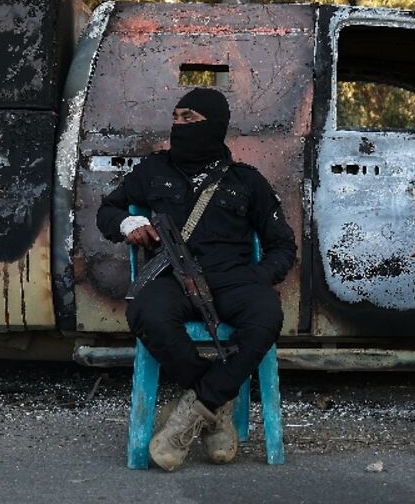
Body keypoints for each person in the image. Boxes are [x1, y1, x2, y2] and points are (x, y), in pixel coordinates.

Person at [97, 87, 296, 471]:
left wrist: (255, 279)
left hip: (232, 279)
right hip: (171, 278)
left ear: (214, 125)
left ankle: (194, 409)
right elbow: (109, 209)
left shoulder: (247, 181)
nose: (179, 125)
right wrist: (128, 222)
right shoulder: (153, 171)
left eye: (190, 119)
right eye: (177, 117)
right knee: (146, 313)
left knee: (266, 314)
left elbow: (282, 246)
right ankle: (214, 406)